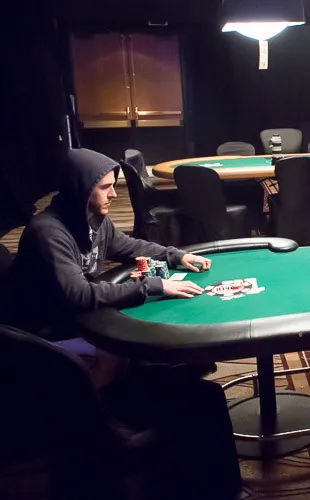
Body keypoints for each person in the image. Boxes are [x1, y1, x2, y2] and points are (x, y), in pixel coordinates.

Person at [4, 148, 242, 500]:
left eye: (113, 185)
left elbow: (129, 246)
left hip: (74, 325)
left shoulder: (93, 220)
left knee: (150, 360)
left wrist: (175, 255)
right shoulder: (48, 231)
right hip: (42, 342)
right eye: (104, 187)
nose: (114, 194)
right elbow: (78, 294)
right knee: (123, 352)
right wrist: (152, 286)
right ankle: (98, 428)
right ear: (80, 188)